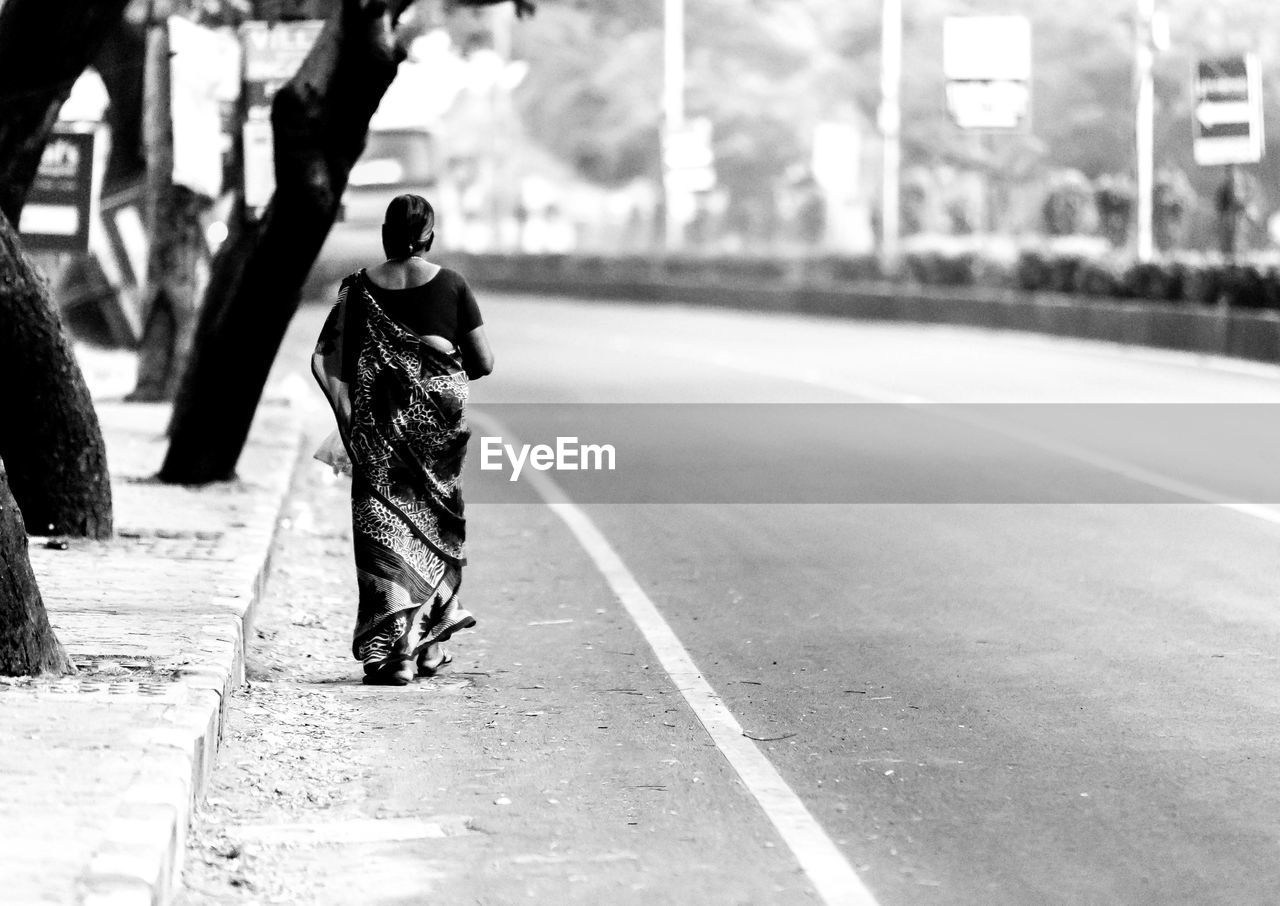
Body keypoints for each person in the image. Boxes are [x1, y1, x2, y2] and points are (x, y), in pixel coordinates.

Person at [312, 194, 494, 685]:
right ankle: (426, 647)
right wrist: (436, 358)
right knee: (433, 528)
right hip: (437, 431)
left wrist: (347, 416)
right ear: (429, 236)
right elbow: (483, 363)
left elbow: (325, 360)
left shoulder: (358, 290)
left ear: (386, 234)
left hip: (379, 430)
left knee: (383, 531)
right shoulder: (453, 285)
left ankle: (396, 655)